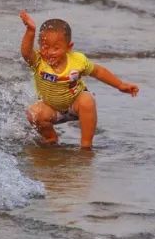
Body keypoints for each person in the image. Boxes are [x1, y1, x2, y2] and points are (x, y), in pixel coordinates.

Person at [19, 10, 139, 149]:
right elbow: (26, 52)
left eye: (56, 48)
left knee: (87, 100)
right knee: (33, 114)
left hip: (74, 105)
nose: (50, 52)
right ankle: (51, 137)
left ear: (68, 47)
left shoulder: (78, 61)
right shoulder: (38, 61)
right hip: (52, 108)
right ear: (39, 46)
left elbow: (98, 71)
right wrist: (30, 31)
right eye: (45, 47)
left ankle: (86, 144)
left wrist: (120, 85)